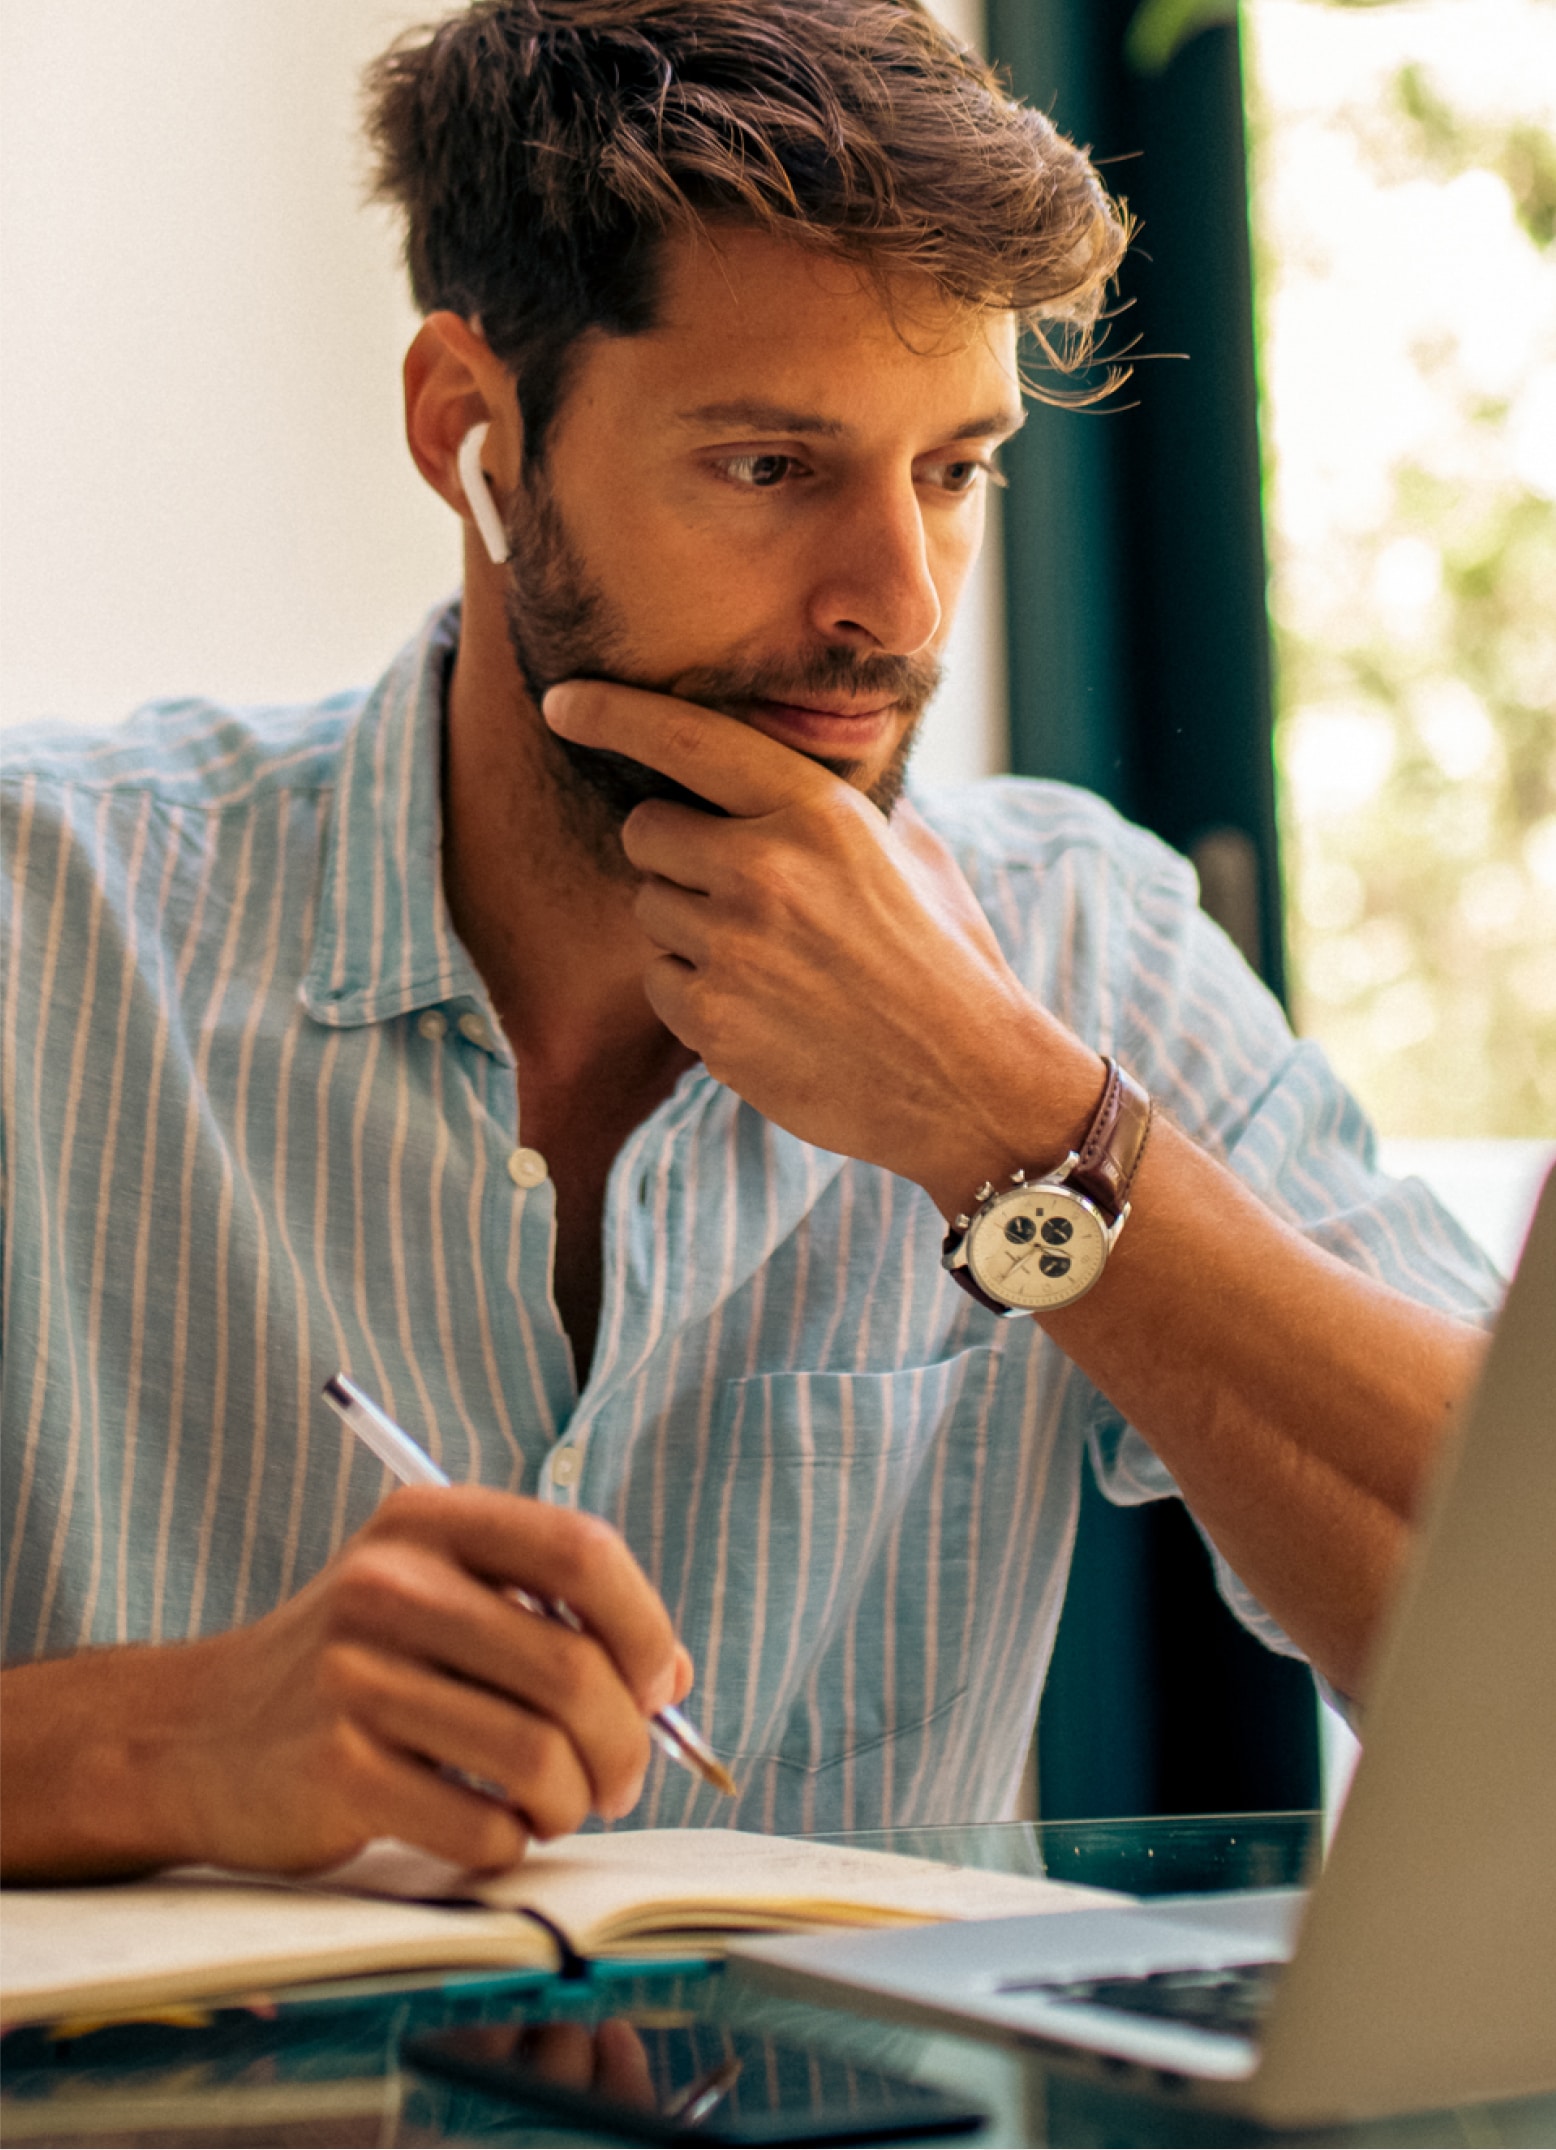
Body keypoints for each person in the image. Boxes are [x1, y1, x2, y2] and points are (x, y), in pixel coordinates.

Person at [0, 0, 1497, 1885]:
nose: (896, 604)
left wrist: (1027, 1131)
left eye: (953, 470)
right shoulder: (39, 919)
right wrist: (162, 1739)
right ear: (472, 432)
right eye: (774, 468)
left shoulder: (1074, 941)